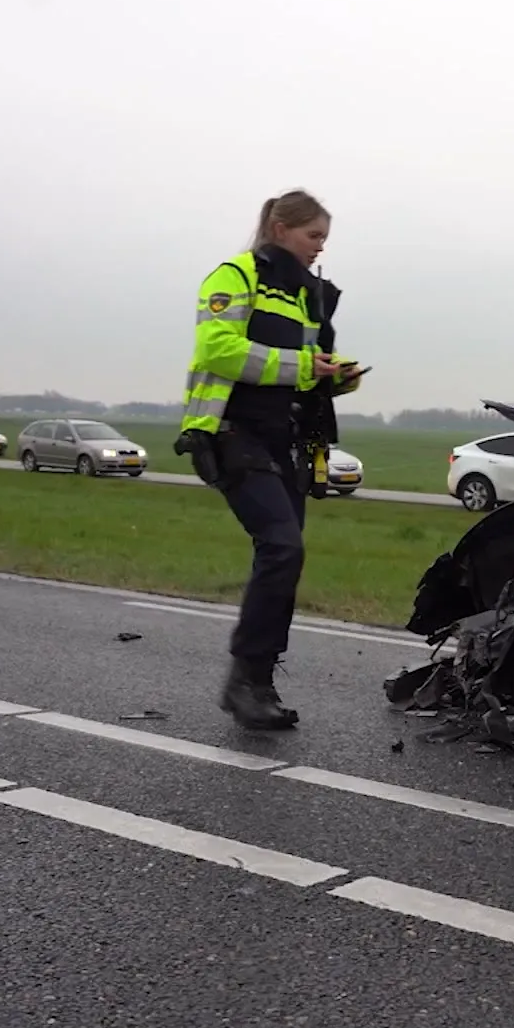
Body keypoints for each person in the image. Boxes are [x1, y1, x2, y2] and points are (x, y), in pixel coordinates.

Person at [175, 188, 366, 730]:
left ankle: (257, 680)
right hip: (233, 433)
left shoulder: (306, 296)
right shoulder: (235, 276)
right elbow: (218, 350)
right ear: (281, 229)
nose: (320, 249)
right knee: (281, 547)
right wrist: (307, 367)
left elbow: (307, 372)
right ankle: (243, 682)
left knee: (288, 555)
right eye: (314, 237)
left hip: (284, 441)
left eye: (325, 240)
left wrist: (338, 375)